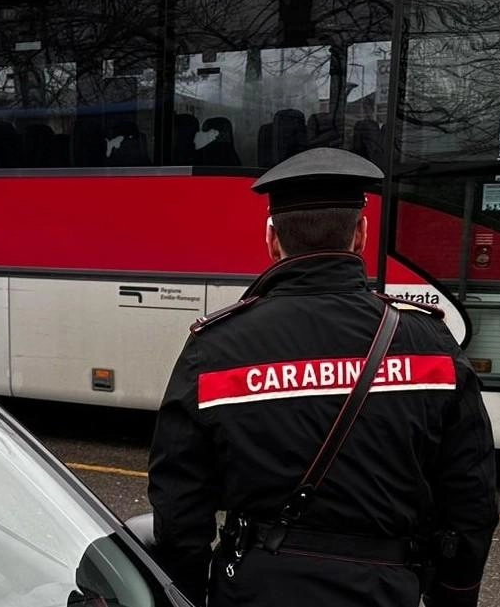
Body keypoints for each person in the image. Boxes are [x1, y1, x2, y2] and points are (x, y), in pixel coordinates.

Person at [148, 148, 497, 607]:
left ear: (273, 241)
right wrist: (454, 594)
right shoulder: (427, 342)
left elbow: (178, 504)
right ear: (362, 234)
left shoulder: (216, 348)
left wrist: (191, 591)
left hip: (256, 589)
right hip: (387, 589)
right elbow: (471, 499)